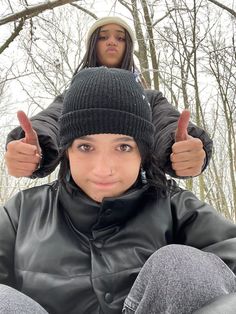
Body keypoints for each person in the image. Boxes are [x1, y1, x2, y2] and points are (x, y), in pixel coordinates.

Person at [0, 67, 236, 314]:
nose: (103, 169)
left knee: (184, 265)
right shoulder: (21, 214)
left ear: (142, 154)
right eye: (85, 147)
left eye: (123, 147)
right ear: (67, 152)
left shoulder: (174, 207)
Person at [5, 16, 212, 179]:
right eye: (103, 36)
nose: (112, 41)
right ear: (93, 44)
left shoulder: (150, 99)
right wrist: (34, 148)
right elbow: (50, 121)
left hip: (148, 205)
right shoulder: (72, 99)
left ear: (128, 46)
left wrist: (184, 152)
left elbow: (168, 125)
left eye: (120, 38)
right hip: (76, 210)